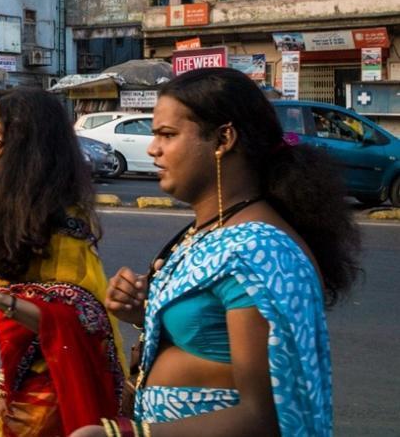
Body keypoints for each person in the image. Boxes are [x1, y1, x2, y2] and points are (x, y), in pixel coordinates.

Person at [71, 68, 361, 437]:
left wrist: (123, 435)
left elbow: (265, 418)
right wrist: (146, 315)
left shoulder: (259, 250)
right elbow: (213, 337)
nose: (152, 148)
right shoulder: (212, 230)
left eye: (168, 135)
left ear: (223, 139)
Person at [0, 87, 125, 437]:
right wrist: (0, 381)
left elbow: (83, 318)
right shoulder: (16, 208)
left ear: (27, 146)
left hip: (57, 393)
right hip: (26, 379)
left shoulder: (64, 224)